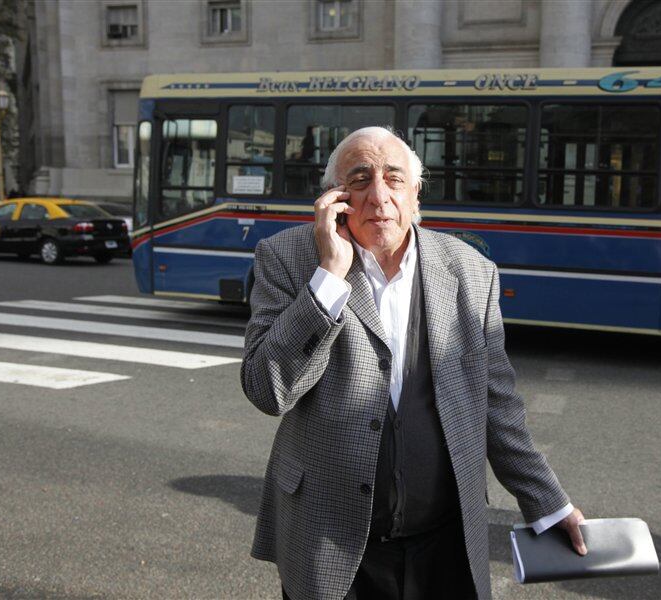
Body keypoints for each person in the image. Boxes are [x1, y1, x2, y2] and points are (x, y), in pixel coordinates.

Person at [241, 127, 586, 600]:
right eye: (360, 179)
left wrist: (547, 503)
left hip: (444, 544)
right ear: (334, 198)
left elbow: (497, 404)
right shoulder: (286, 257)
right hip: (329, 540)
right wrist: (329, 277)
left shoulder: (470, 272)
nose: (378, 196)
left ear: (416, 193)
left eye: (394, 178)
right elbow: (267, 389)